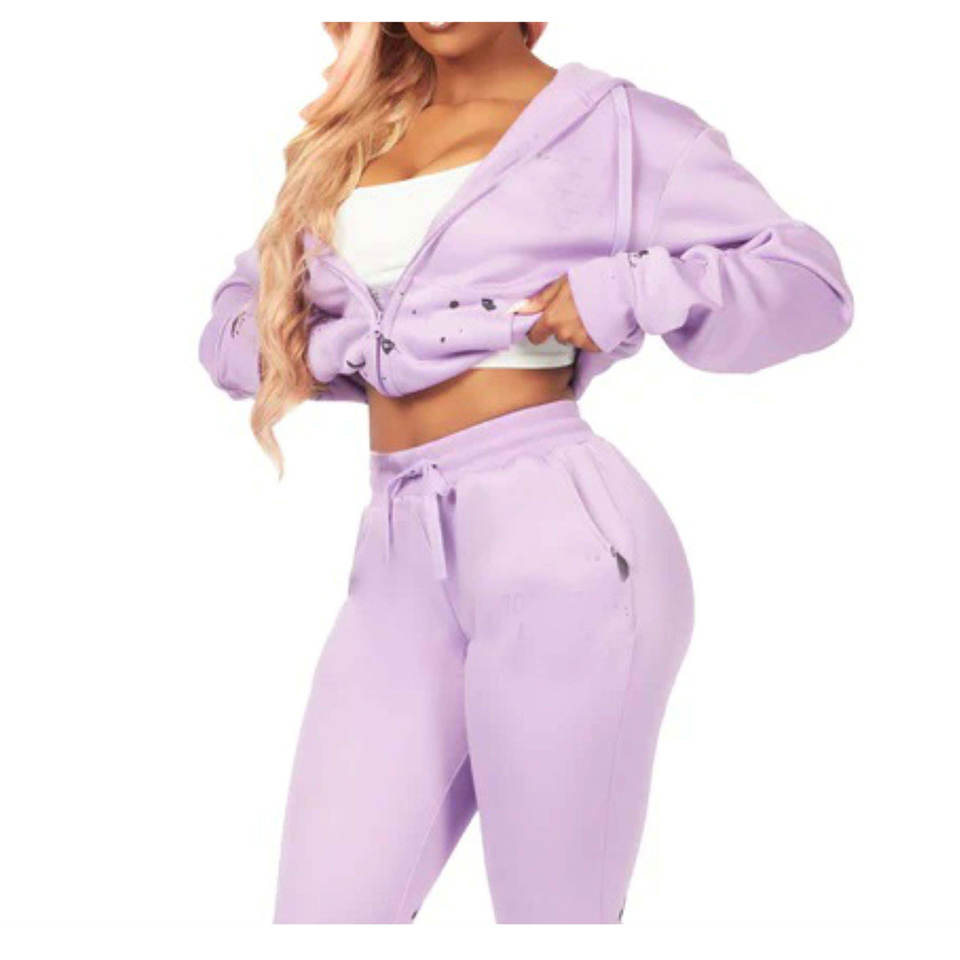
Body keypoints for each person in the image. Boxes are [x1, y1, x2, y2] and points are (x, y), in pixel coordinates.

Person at [199, 22, 852, 924]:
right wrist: (326, 348)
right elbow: (235, 320)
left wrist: (630, 289)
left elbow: (811, 285)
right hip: (394, 557)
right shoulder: (352, 138)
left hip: (560, 543)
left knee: (554, 921)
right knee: (321, 915)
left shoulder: (617, 127)